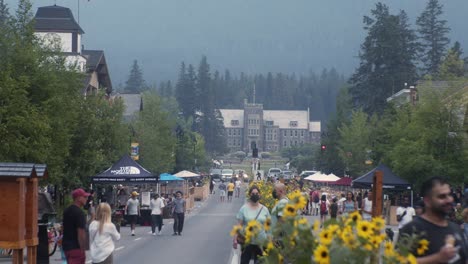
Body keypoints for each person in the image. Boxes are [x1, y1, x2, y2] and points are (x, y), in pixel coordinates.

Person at [400, 176, 467, 264]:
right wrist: (437, 258)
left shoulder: (455, 229)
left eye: (449, 195)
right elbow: (399, 261)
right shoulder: (412, 229)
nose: (449, 200)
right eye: (442, 197)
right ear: (427, 201)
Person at [233, 185, 271, 264]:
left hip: (261, 242)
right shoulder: (244, 209)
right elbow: (239, 225)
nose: (255, 195)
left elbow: (269, 227)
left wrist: (270, 240)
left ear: (260, 194)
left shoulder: (265, 209)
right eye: (253, 193)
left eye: (257, 193)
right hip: (247, 242)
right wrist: (235, 239)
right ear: (250, 195)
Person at [62, 188, 90, 264]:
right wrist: (82, 249)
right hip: (76, 248)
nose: (86, 199)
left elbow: (63, 228)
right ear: (78, 198)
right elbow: (81, 233)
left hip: (67, 247)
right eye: (84, 197)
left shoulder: (66, 211)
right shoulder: (80, 213)